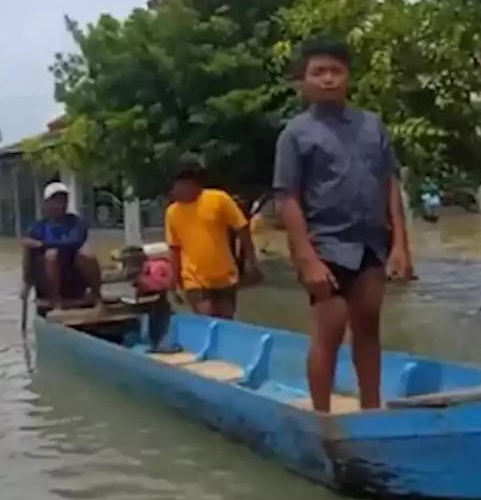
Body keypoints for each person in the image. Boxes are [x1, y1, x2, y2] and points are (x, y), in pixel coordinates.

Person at [273, 38, 412, 412]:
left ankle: (371, 410)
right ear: (302, 82)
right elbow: (287, 197)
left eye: (336, 71)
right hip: (325, 244)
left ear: (348, 77)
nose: (329, 79)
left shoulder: (371, 125)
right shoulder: (296, 133)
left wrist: (400, 245)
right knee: (328, 331)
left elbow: (390, 184)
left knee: (368, 329)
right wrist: (306, 258)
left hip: (370, 243)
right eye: (319, 72)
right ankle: (322, 418)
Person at [164, 161, 261, 319]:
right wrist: (173, 282)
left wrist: (251, 260)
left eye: (176, 186)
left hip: (225, 275)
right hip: (193, 278)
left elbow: (241, 228)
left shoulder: (218, 200)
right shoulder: (172, 212)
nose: (173, 192)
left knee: (226, 322)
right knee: (207, 318)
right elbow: (175, 248)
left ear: (191, 183)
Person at [22, 182, 102, 312]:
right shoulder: (37, 227)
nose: (60, 204)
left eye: (63, 200)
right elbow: (28, 256)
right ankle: (57, 303)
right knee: (51, 256)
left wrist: (42, 244)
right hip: (48, 282)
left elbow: (76, 241)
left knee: (88, 255)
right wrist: (26, 285)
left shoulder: (76, 222)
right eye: (55, 201)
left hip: (74, 276)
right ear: (47, 204)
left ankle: (97, 299)